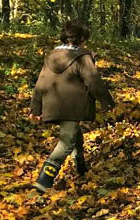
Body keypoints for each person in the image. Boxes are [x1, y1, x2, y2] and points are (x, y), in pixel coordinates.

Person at [29, 19, 115, 193]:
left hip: (52, 104)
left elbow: (41, 82)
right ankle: (44, 180)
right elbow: (93, 82)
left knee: (74, 132)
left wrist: (35, 108)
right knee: (67, 142)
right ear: (82, 37)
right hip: (72, 106)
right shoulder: (82, 57)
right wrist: (107, 102)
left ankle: (81, 167)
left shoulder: (51, 55)